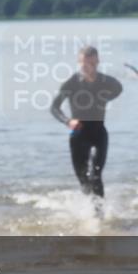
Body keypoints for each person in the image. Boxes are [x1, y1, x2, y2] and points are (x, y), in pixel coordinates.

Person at [50, 45, 123, 200]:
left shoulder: (104, 81)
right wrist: (68, 121)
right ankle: (88, 207)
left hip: (99, 132)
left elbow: (119, 88)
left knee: (96, 175)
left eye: (92, 63)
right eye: (84, 63)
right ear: (79, 62)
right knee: (84, 179)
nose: (88, 67)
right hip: (78, 134)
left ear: (97, 62)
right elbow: (54, 107)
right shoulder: (71, 83)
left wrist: (106, 98)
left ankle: (99, 215)